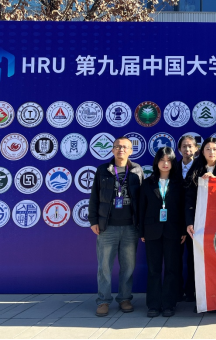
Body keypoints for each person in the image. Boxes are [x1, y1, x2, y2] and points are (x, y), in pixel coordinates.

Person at [88, 136, 144, 317]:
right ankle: (103, 301)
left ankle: (124, 298)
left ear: (131, 151)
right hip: (107, 227)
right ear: (112, 150)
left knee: (128, 266)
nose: (121, 149)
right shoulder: (103, 170)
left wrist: (142, 224)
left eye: (125, 147)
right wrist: (93, 221)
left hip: (130, 227)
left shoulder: (137, 170)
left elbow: (142, 200)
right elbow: (94, 197)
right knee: (104, 267)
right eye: (118, 147)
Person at [185, 138, 216, 313]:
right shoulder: (195, 170)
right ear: (202, 151)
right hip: (198, 224)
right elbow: (188, 199)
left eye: (214, 149)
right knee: (197, 260)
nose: (211, 152)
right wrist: (189, 222)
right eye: (207, 149)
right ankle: (200, 299)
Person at [139, 147, 186, 318]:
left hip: (173, 231)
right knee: (154, 269)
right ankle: (153, 305)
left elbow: (183, 209)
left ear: (173, 163)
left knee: (172, 269)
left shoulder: (179, 184)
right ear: (156, 162)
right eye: (162, 160)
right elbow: (141, 209)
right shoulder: (147, 183)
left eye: (169, 160)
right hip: (152, 231)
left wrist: (183, 230)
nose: (165, 164)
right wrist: (141, 231)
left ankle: (168, 304)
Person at [175, 135, 198, 303]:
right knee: (175, 258)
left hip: (194, 220)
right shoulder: (172, 167)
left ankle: (192, 291)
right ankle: (176, 292)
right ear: (179, 149)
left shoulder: (201, 168)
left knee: (193, 258)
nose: (187, 149)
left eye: (190, 146)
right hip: (175, 219)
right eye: (184, 146)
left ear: (196, 149)